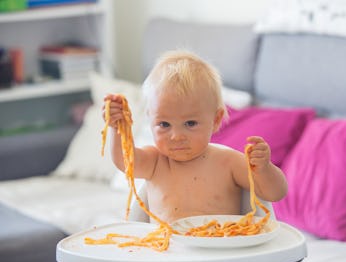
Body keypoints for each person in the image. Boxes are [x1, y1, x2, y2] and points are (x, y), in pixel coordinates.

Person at [102, 50, 287, 224]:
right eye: (164, 125)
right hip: (164, 254)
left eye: (190, 124)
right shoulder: (155, 162)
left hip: (219, 252)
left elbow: (275, 193)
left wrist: (264, 169)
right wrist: (117, 128)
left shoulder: (228, 163)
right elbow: (125, 162)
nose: (176, 136)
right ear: (150, 120)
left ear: (216, 120)